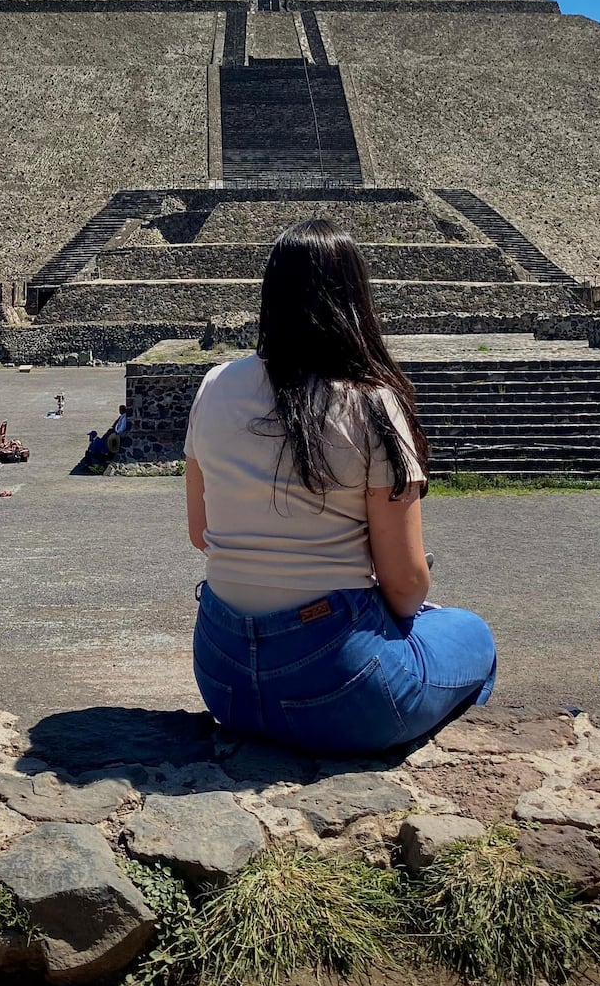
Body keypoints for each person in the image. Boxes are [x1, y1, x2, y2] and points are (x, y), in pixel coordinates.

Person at [184, 218, 496, 758]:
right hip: (341, 684)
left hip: (223, 678)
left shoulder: (214, 385)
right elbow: (405, 584)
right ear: (355, 300)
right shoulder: (371, 402)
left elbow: (201, 533)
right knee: (471, 633)